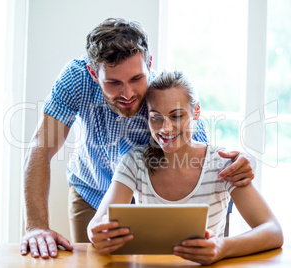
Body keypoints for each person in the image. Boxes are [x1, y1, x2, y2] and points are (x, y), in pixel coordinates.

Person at [20, 18, 256, 259]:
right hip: (91, 191)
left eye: (136, 79)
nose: (128, 93)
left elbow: (198, 150)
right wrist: (36, 226)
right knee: (94, 262)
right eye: (113, 83)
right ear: (93, 73)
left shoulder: (160, 93)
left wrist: (237, 160)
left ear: (149, 64)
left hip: (150, 203)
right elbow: (41, 147)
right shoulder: (76, 79)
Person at [87, 70, 283, 266]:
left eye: (177, 116)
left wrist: (222, 247)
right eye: (156, 117)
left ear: (196, 111)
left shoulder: (221, 164)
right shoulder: (134, 162)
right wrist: (97, 233)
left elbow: (273, 230)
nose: (165, 128)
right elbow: (96, 223)